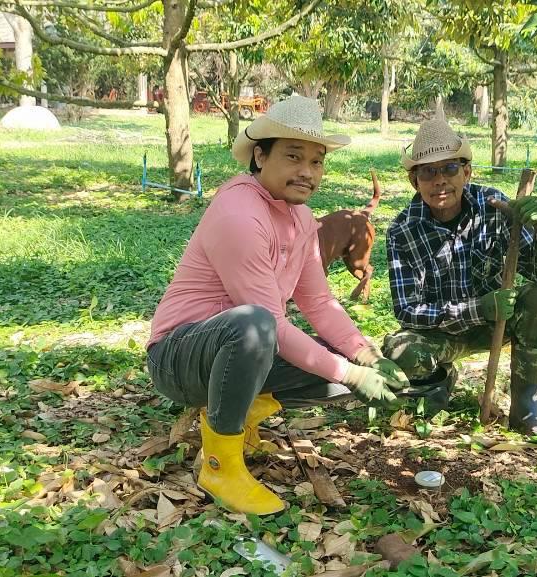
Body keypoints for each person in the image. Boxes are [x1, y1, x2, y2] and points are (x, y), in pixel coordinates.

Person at [145, 96, 409, 515]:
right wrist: (350, 372)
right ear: (259, 156)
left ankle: (241, 417)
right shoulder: (239, 213)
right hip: (178, 357)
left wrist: (365, 355)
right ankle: (220, 464)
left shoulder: (301, 220)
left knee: (343, 359)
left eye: (317, 161)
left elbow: (319, 302)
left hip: (242, 352)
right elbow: (266, 322)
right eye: (292, 156)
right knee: (254, 326)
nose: (307, 171)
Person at [382, 113, 537, 443]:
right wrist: (477, 308)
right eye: (428, 172)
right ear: (414, 181)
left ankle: (527, 411)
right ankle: (438, 384)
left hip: (501, 323)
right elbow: (407, 310)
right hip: (443, 333)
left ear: (466, 172)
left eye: (450, 168)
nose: (440, 180)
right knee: (399, 349)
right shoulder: (402, 230)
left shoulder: (494, 207)